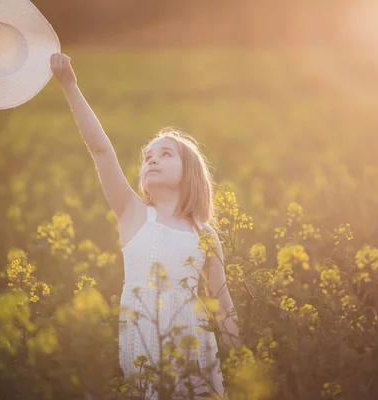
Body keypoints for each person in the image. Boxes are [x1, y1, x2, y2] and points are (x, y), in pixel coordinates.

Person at [50, 53, 241, 398]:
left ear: (191, 173)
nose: (152, 159)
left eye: (166, 154)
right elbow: (101, 150)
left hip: (196, 354)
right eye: (148, 157)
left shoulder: (206, 235)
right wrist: (70, 85)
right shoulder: (134, 214)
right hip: (144, 353)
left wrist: (243, 365)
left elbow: (223, 304)